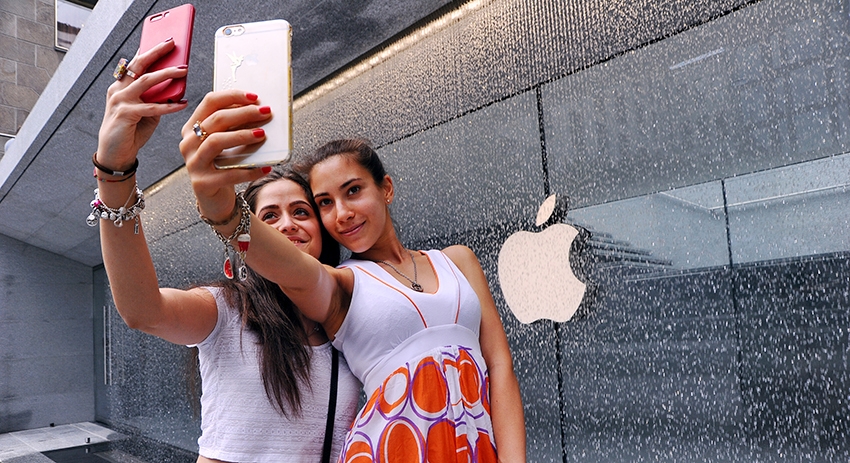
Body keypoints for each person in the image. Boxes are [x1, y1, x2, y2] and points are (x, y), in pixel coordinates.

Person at [183, 100, 527, 460]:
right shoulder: (342, 284)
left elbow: (500, 366)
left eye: (353, 191)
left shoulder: (457, 260)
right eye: (325, 203)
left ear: (386, 188)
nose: (343, 213)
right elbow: (282, 262)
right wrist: (221, 208)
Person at [91, 39, 360, 463]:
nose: (287, 225)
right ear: (245, 239)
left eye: (301, 212)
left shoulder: (347, 321)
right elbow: (143, 310)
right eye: (268, 217)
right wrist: (115, 171)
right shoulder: (226, 311)